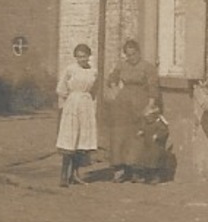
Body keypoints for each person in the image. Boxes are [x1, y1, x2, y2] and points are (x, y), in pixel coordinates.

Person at [104, 39, 159, 182]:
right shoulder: (122, 65)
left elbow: (153, 87)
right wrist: (115, 90)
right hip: (122, 104)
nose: (131, 58)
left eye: (133, 54)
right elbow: (111, 79)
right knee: (120, 134)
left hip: (140, 102)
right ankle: (120, 168)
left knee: (137, 136)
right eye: (128, 55)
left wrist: (150, 105)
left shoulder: (147, 67)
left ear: (139, 53)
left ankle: (136, 169)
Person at [56, 43, 99, 187]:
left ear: (89, 56)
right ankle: (63, 176)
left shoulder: (93, 71)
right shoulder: (71, 69)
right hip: (73, 104)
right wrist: (70, 99)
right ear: (75, 57)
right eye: (79, 57)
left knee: (81, 141)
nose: (82, 59)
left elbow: (95, 90)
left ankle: (74, 174)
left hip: (86, 106)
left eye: (85, 56)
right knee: (69, 140)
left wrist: (87, 101)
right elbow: (61, 88)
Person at [135, 102, 172, 184]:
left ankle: (156, 177)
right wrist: (141, 131)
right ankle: (147, 177)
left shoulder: (159, 123)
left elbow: (164, 131)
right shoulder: (147, 123)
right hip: (147, 146)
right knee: (146, 161)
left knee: (155, 162)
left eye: (148, 116)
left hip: (156, 147)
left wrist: (158, 135)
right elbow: (144, 128)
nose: (147, 118)